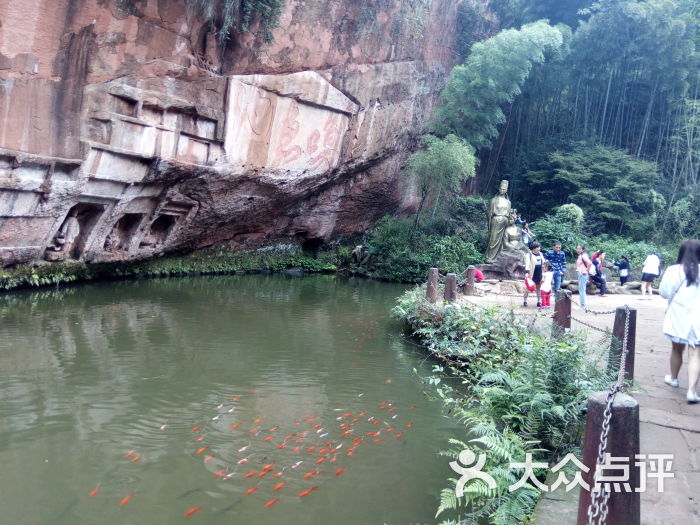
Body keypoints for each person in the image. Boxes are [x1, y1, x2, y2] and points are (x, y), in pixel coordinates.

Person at [659, 239, 700, 403]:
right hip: (698, 318)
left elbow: (663, 293)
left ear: (681, 252)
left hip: (678, 316)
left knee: (676, 349)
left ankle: (674, 378)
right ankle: (691, 391)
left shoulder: (673, 270)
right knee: (695, 353)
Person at [485, 180, 512, 262]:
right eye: (501, 188)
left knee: (502, 241)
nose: (502, 190)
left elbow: (509, 214)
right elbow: (489, 213)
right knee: (493, 239)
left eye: (504, 189)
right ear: (499, 189)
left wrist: (508, 220)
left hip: (505, 221)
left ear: (506, 190)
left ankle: (497, 257)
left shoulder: (508, 202)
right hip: (496, 220)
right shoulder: (494, 200)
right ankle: (489, 257)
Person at [524, 241, 544, 307]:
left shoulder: (540, 254)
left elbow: (543, 262)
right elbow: (527, 264)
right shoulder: (528, 255)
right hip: (531, 273)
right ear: (534, 248)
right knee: (528, 288)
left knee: (538, 288)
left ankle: (539, 301)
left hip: (539, 273)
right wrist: (526, 273)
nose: (539, 248)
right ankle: (525, 301)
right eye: (538, 247)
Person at [575, 244, 593, 308]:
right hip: (582, 273)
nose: (578, 250)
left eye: (580, 249)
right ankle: (582, 303)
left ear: (583, 249)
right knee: (582, 289)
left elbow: (589, 263)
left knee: (582, 289)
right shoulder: (580, 255)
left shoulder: (583, 256)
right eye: (577, 248)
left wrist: (587, 270)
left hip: (583, 274)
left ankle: (582, 304)